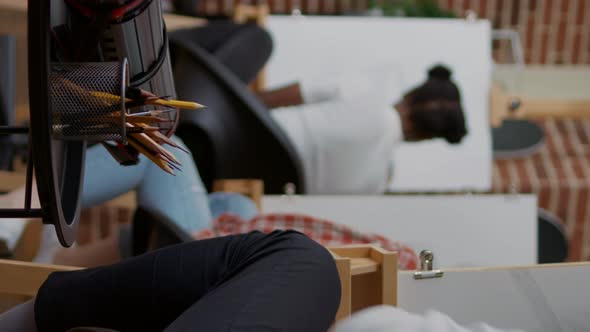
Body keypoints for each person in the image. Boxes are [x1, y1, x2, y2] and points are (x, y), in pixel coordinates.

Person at [261, 64, 468, 194]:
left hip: (247, 137)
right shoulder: (377, 183)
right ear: (424, 137)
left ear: (411, 93)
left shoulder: (363, 90)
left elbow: (260, 101)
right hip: (259, 186)